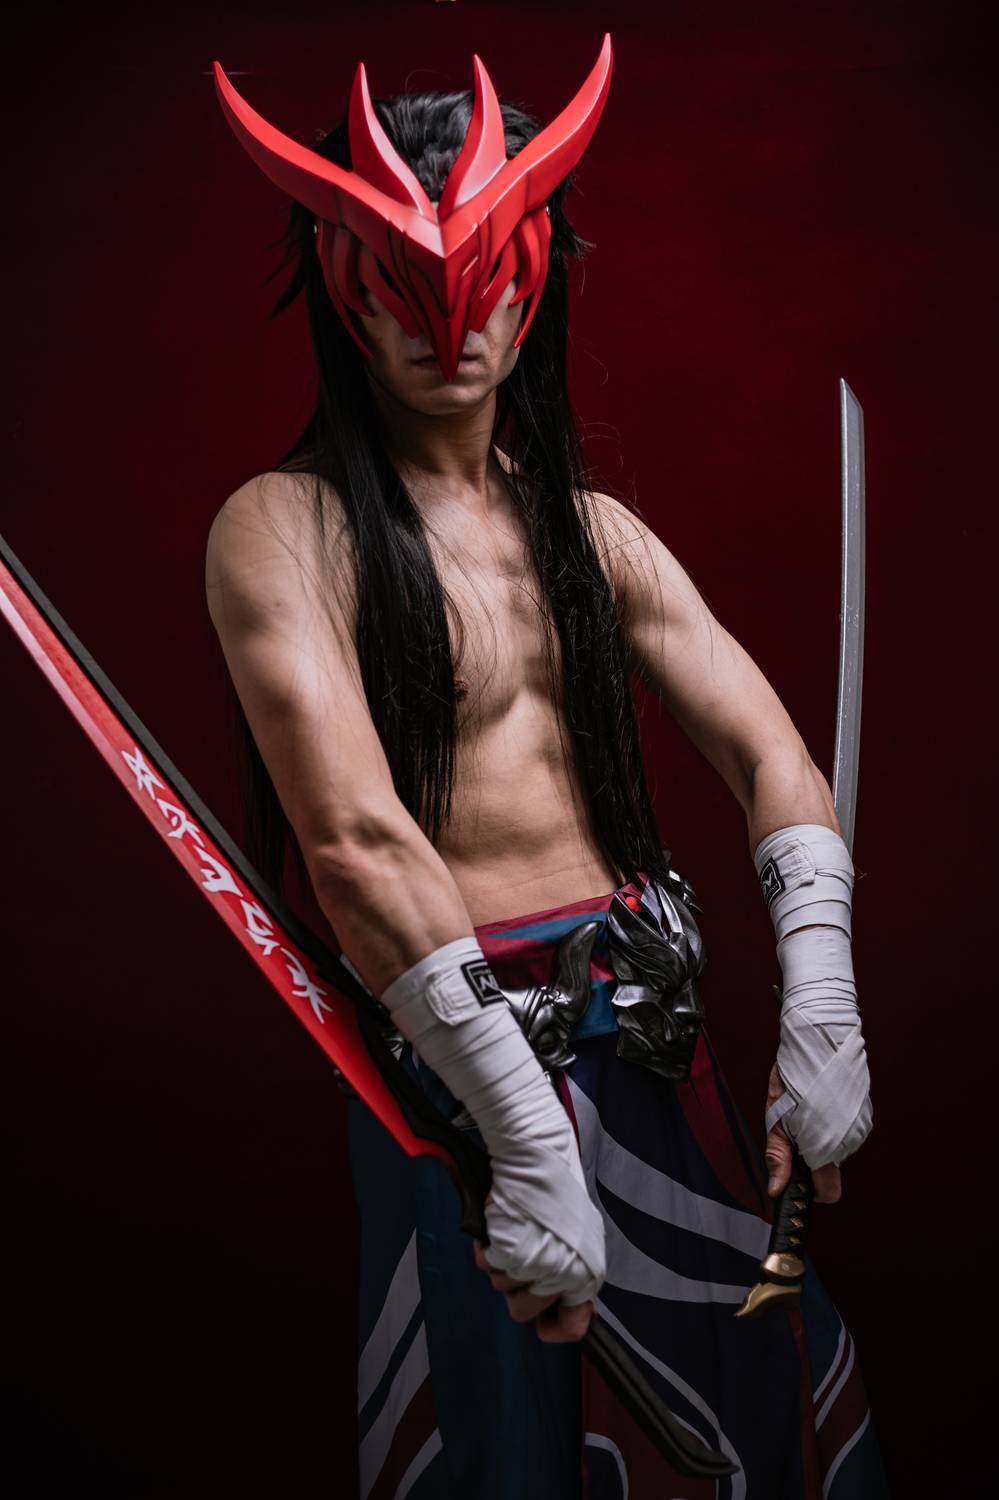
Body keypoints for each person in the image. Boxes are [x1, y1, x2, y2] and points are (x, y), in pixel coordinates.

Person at [204, 42, 890, 1499]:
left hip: (649, 1038)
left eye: (486, 285)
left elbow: (770, 751)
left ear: (537, 281)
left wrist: (822, 997)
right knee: (506, 1447)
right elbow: (355, 843)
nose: (450, 332)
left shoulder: (593, 532)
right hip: (459, 1064)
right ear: (342, 287)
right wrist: (518, 1129)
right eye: (405, 293)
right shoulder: (284, 531)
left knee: (754, 1425)